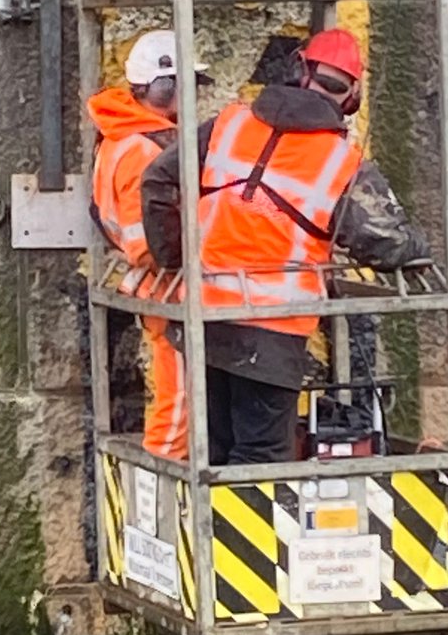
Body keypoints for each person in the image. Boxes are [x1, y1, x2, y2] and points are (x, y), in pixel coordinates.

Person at [140, 27, 430, 466]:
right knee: (260, 459)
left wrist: (175, 258)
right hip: (271, 331)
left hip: (205, 317)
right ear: (351, 97)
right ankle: (234, 536)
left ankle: (211, 533)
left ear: (298, 70)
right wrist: (417, 245)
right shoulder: (339, 162)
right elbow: (387, 244)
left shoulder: (230, 123)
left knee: (216, 448)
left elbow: (158, 180)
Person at [87, 28, 213, 460]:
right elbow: (147, 242)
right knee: (179, 399)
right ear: (164, 87)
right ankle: (161, 482)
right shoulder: (144, 149)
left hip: (156, 282)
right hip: (167, 283)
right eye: (188, 84)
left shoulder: (124, 137)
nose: (194, 95)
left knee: (180, 394)